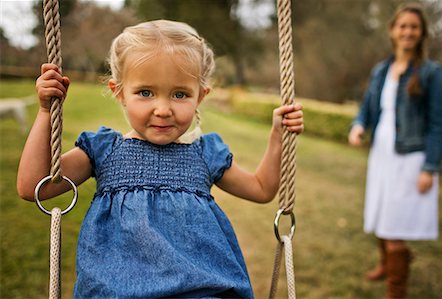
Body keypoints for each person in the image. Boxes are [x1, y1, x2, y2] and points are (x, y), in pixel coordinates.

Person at [16, 20, 304, 298]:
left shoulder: (205, 155)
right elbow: (33, 186)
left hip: (201, 290)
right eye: (145, 92)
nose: (163, 109)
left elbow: (261, 189)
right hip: (116, 291)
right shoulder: (103, 151)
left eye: (180, 94)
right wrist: (45, 112)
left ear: (200, 96)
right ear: (119, 93)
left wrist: (278, 136)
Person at [348, 3, 442, 298]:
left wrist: (430, 167)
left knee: (395, 223)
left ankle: (397, 288)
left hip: (412, 156)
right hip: (382, 152)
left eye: (414, 27)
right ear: (392, 30)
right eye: (402, 26)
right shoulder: (381, 70)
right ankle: (388, 263)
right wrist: (358, 125)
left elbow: (436, 123)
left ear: (422, 33)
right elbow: (366, 108)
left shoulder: (432, 73)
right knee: (381, 211)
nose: (408, 31)